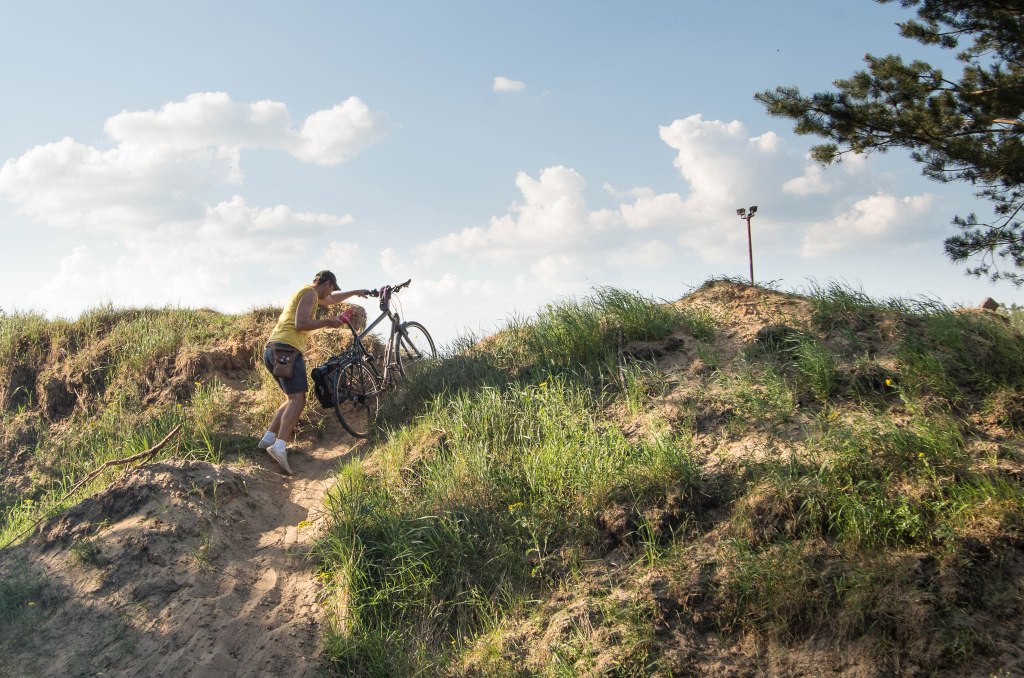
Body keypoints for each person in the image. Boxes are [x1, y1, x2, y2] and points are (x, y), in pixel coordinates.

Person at [258, 270, 369, 474]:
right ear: (326, 283)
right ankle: (280, 446)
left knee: (290, 398)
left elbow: (332, 300)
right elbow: (301, 323)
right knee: (297, 401)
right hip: (287, 349)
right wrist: (329, 322)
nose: (331, 294)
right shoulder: (310, 294)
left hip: (274, 349)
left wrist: (356, 292)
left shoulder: (306, 292)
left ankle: (267, 440)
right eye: (332, 288)